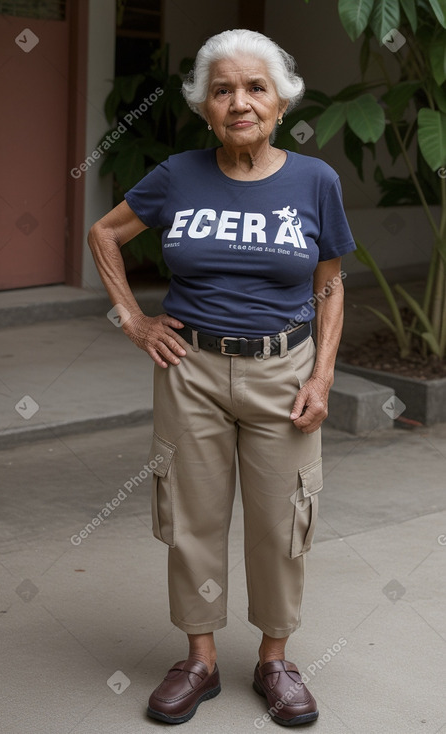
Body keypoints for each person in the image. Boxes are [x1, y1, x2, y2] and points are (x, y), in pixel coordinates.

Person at [88, 28, 355, 727]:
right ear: (205, 107)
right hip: (192, 372)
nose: (239, 101)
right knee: (191, 524)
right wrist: (133, 321)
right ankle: (199, 660)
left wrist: (322, 378)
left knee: (280, 523)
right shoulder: (178, 174)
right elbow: (104, 234)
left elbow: (331, 286)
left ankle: (274, 660)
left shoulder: (313, 181)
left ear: (280, 100)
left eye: (254, 87)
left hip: (284, 369)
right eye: (223, 89)